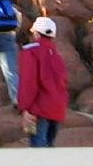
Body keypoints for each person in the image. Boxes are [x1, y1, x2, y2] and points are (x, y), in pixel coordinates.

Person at [18, 17, 70, 146]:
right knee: (49, 148)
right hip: (57, 109)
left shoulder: (30, 51)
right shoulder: (56, 55)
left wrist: (25, 108)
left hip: (37, 110)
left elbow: (28, 83)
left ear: (35, 33)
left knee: (38, 150)